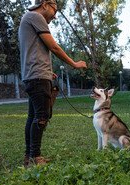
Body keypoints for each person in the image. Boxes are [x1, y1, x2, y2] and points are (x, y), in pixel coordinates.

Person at [19, 0, 87, 166]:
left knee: (33, 117)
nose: (55, 15)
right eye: (54, 10)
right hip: (38, 77)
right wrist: (75, 64)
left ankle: (29, 157)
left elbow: (36, 51)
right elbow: (54, 47)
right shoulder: (35, 16)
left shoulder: (28, 18)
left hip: (34, 75)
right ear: (44, 5)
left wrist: (48, 72)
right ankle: (35, 157)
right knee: (41, 116)